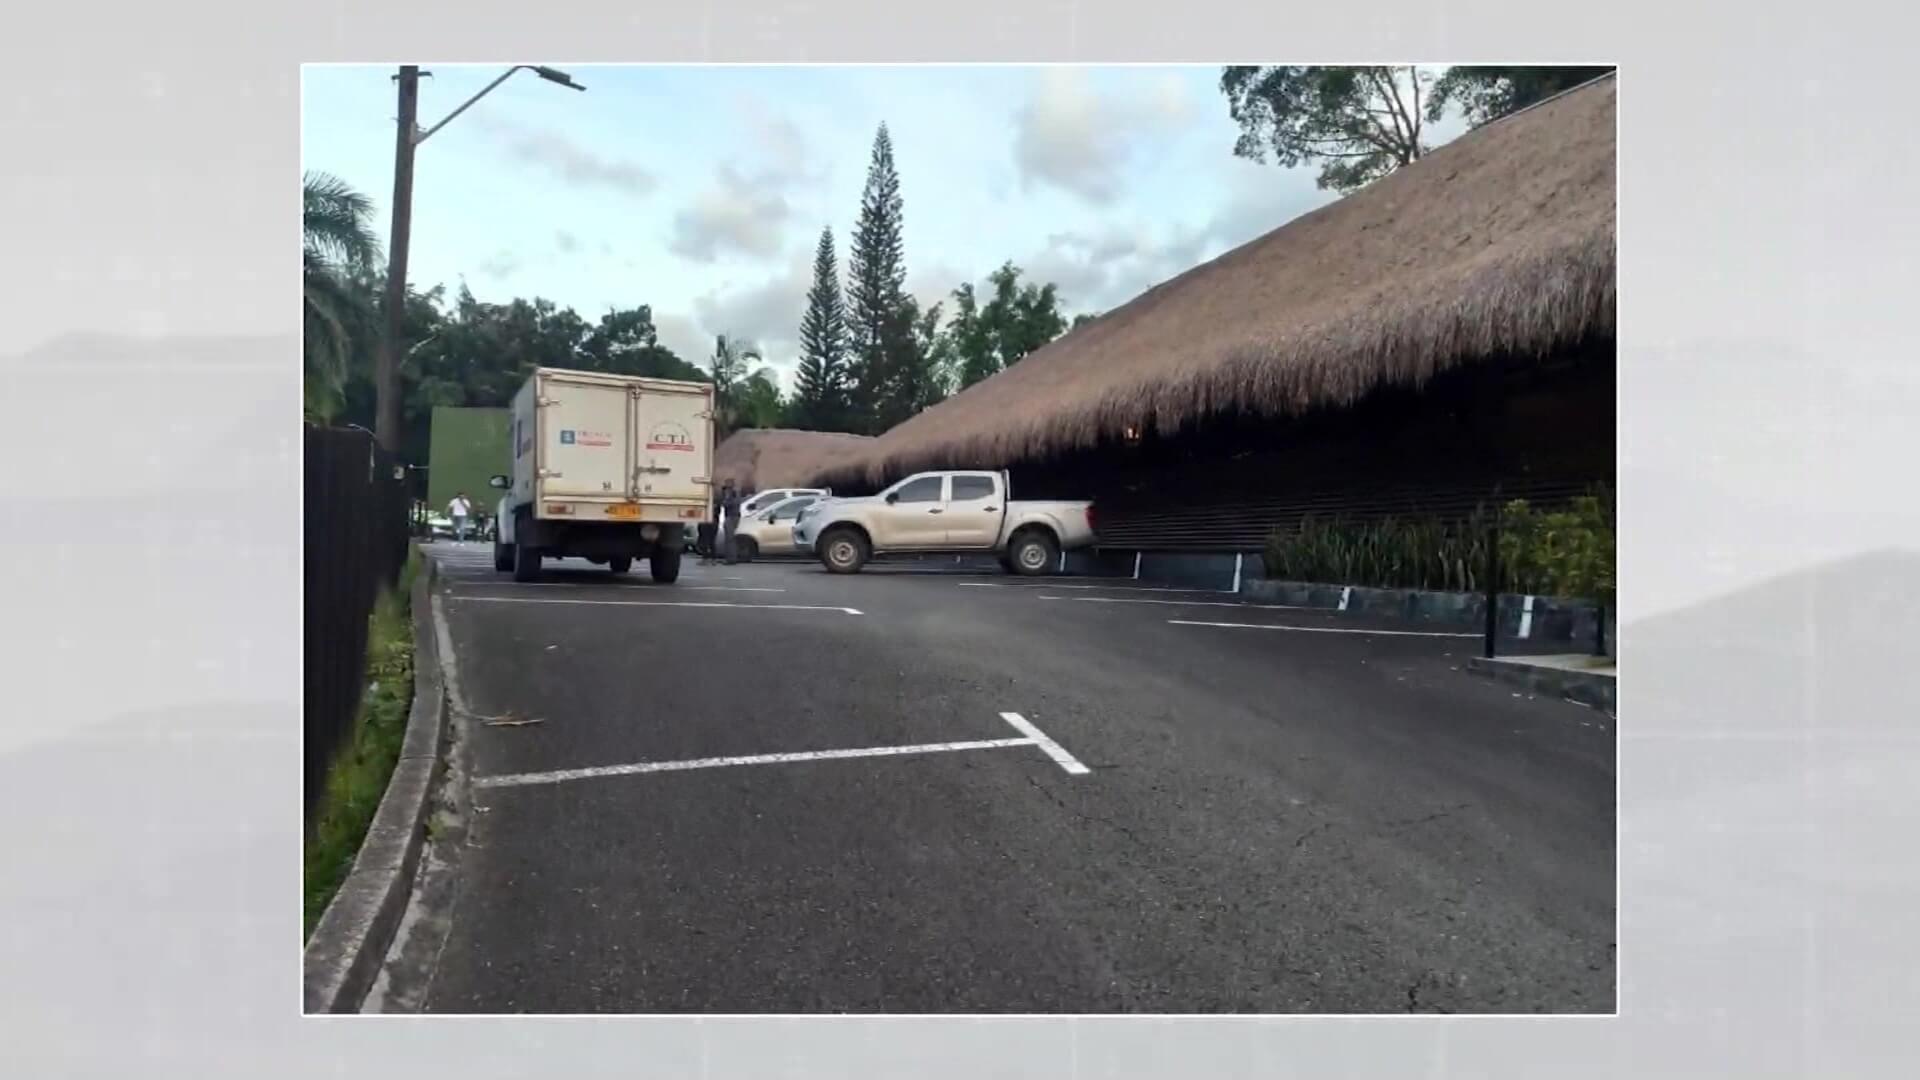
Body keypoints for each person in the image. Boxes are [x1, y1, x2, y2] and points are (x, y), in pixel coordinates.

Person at [716, 480, 743, 565]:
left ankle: (731, 559)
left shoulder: (734, 494)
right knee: (729, 539)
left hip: (732, 517)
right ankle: (730, 558)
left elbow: (729, 504)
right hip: (731, 516)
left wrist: (726, 499)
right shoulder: (733, 493)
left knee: (729, 539)